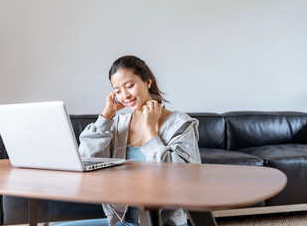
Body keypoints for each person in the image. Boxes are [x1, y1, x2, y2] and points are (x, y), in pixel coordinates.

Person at [57, 55, 201, 226]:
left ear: (148, 82)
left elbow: (181, 178)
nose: (125, 95)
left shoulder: (180, 124)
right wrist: (106, 115)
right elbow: (85, 158)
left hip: (162, 223)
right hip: (121, 222)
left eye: (130, 86)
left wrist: (149, 130)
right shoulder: (119, 123)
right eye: (117, 91)